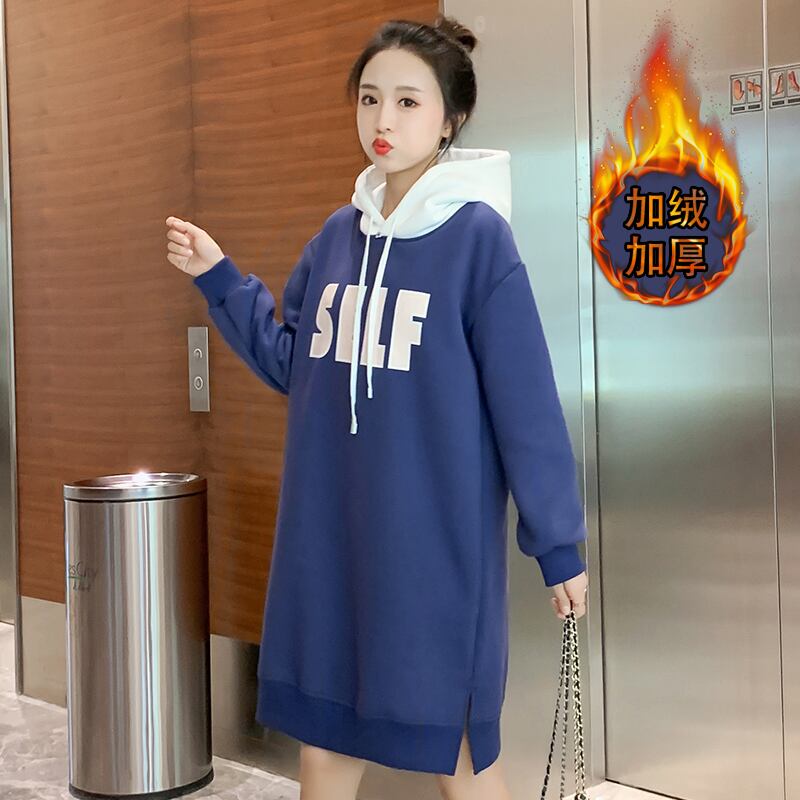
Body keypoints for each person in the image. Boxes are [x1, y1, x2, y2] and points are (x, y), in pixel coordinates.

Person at [166, 14, 588, 800]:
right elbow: (295, 363)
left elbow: (525, 405)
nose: (382, 120)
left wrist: (558, 543)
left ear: (451, 118)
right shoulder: (338, 237)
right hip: (329, 540)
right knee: (326, 738)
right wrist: (220, 277)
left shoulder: (478, 242)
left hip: (432, 550)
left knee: (454, 748)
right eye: (369, 98)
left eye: (407, 101)